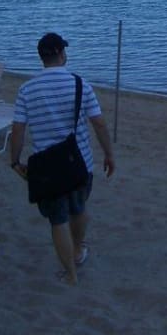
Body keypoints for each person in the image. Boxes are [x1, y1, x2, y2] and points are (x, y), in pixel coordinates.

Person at [10, 32, 115, 285]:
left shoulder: (27, 89)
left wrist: (15, 161)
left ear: (41, 57)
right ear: (61, 54)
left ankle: (70, 274)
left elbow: (18, 130)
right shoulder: (80, 84)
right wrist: (109, 154)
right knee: (78, 209)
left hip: (47, 169)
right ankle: (78, 250)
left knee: (58, 221)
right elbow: (99, 123)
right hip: (79, 163)